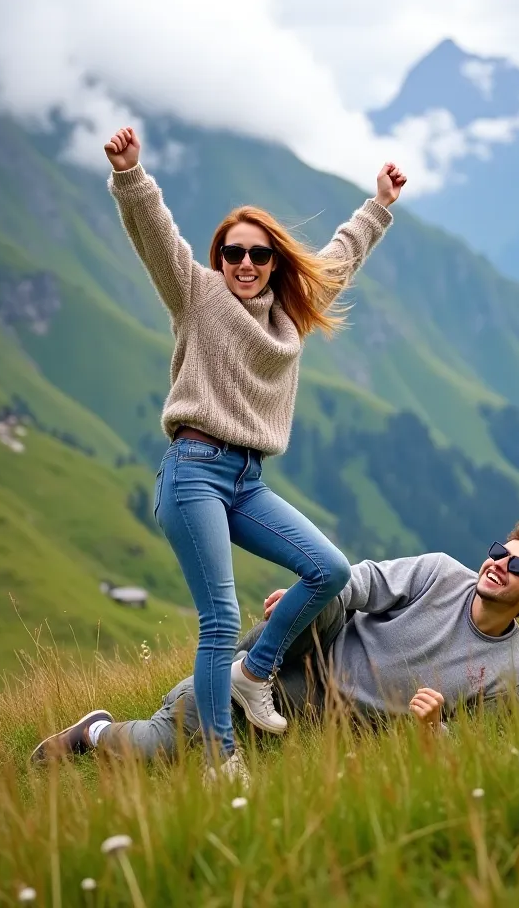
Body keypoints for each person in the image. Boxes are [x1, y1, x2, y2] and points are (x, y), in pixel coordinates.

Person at [103, 127, 406, 777]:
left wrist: (378, 205)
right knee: (221, 616)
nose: (244, 264)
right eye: (233, 252)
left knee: (330, 569)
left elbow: (339, 259)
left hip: (246, 479)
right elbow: (155, 234)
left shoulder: (291, 312)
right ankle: (221, 760)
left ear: (274, 261)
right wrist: (132, 175)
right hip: (193, 472)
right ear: (220, 256)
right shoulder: (196, 294)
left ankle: (255, 671)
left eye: (259, 255)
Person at [30, 520, 519, 765]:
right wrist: (300, 597)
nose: (500, 562)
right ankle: (245, 673)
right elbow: (359, 582)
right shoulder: (439, 574)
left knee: (159, 748)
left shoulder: (510, 673)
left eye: (518, 566)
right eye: (501, 549)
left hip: (317, 709)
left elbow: (477, 755)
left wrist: (436, 729)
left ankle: (91, 730)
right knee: (328, 586)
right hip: (311, 648)